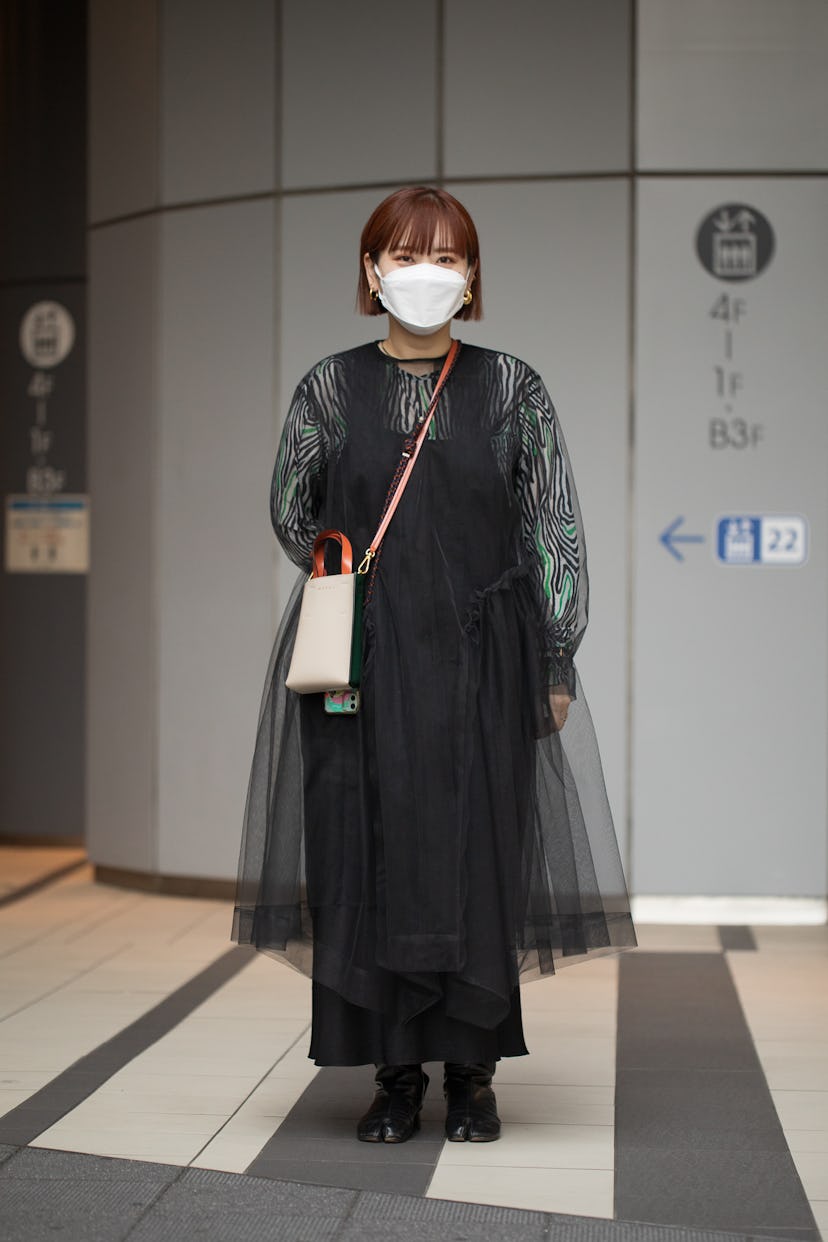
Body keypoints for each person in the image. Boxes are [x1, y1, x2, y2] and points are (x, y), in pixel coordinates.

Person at [232, 186, 636, 1145]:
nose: (428, 272)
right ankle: (395, 1074)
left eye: (448, 257)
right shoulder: (330, 387)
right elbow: (292, 510)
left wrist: (556, 657)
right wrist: (368, 573)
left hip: (485, 660)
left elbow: (554, 533)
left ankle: (475, 1073)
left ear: (473, 276)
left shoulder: (511, 388)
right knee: (364, 849)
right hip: (362, 663)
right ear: (371, 271)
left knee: (479, 852)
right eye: (407, 254)